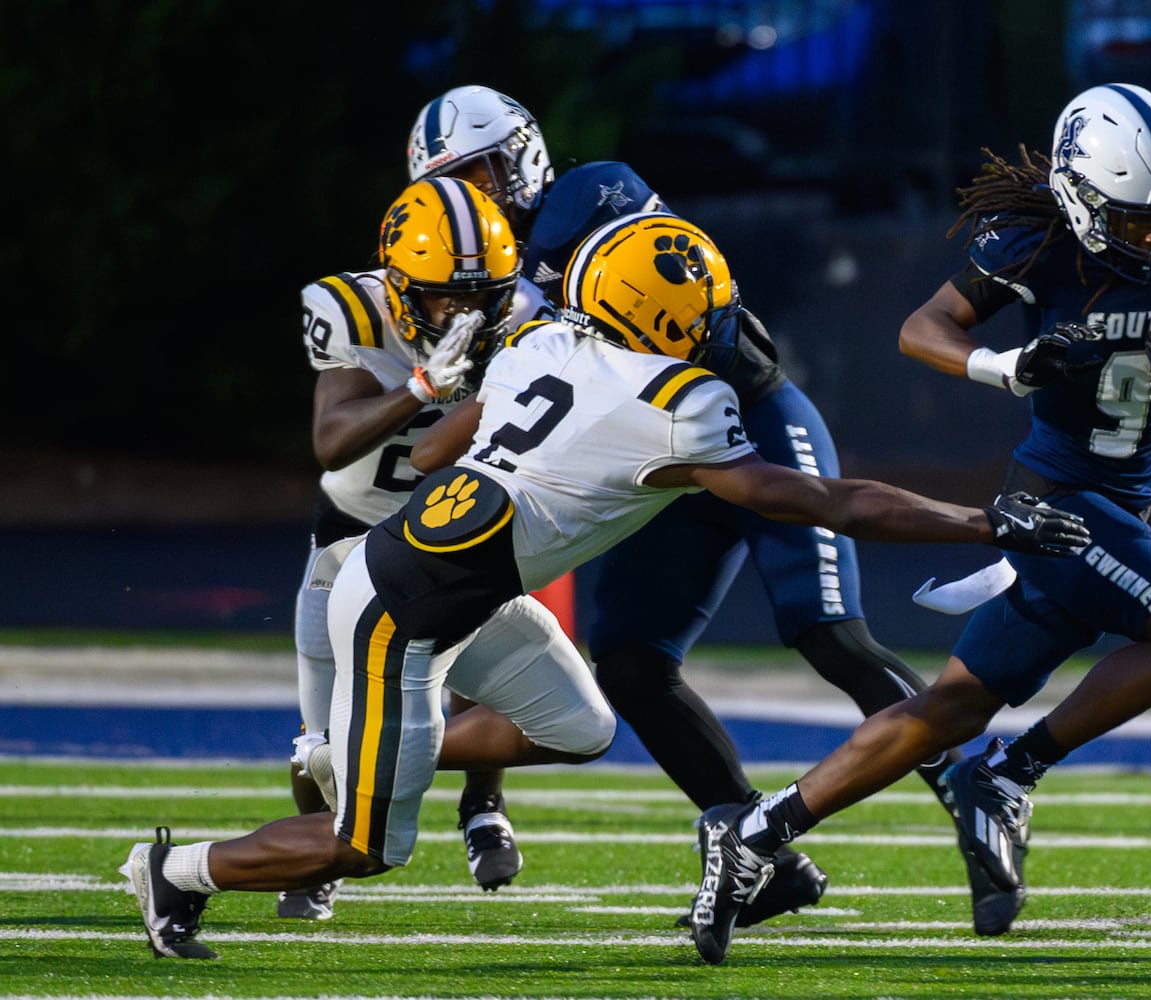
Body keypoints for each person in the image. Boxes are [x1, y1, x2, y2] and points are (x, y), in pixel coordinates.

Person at [119, 204, 1089, 962]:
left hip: (458, 586)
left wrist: (472, 410)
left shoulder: (543, 345)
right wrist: (976, 518)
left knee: (580, 727)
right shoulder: (676, 404)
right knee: (367, 846)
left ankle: (355, 750)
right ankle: (173, 869)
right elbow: (819, 501)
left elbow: (426, 463)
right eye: (703, 311)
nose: (720, 323)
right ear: (659, 315)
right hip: (395, 617)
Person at [683, 82, 1151, 965]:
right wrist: (1010, 364)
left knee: (947, 708)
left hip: (1118, 512)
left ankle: (755, 833)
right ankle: (1008, 773)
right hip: (1057, 502)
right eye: (1137, 220)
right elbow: (923, 327)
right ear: (1080, 197)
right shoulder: (1035, 242)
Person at [405, 85, 1018, 931]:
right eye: (457, 182)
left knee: (827, 631)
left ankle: (970, 796)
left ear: (520, 152)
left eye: (481, 170)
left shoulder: (590, 196)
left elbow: (594, 305)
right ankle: (749, 844)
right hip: (657, 459)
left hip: (748, 420)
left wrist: (493, 316)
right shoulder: (499, 277)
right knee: (627, 665)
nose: (476, 195)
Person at [282, 148, 542, 919]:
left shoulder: (526, 315)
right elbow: (333, 442)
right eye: (439, 298)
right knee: (323, 732)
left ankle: (482, 806)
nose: (459, 314)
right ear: (396, 281)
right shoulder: (350, 309)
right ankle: (310, 852)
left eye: (480, 295)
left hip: (459, 523)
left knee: (494, 684)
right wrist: (423, 387)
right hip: (354, 531)